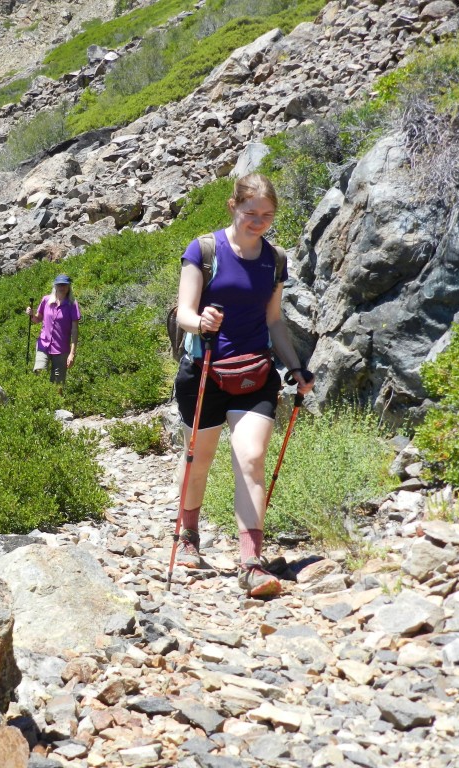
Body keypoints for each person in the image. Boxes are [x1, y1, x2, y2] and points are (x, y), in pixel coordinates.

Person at [172, 173, 314, 598]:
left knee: (251, 458)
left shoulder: (276, 259)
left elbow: (274, 321)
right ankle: (188, 535)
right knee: (199, 458)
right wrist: (202, 322)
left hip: (255, 374)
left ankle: (250, 562)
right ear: (232, 206)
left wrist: (295, 368)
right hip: (204, 370)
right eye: (251, 213)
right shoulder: (205, 249)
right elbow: (184, 311)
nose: (259, 222)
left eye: (267, 215)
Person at [26, 274, 80, 386]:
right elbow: (37, 319)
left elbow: (75, 330)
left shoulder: (72, 305)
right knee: (38, 372)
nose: (62, 287)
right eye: (59, 285)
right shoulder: (46, 300)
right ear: (55, 286)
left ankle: (56, 402)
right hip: (43, 344)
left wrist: (72, 353)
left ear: (69, 286)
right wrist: (31, 315)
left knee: (58, 383)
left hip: (61, 349)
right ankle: (38, 399)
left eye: (64, 285)